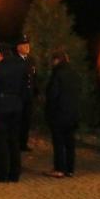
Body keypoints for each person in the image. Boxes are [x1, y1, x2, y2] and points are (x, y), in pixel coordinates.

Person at [0, 44, 27, 182]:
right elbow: (25, 88)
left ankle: (3, 173)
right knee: (14, 140)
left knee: (1, 141)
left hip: (2, 107)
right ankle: (15, 173)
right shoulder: (21, 67)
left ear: (0, 54)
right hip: (17, 105)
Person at [44, 50, 80, 178]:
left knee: (59, 143)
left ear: (56, 60)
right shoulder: (74, 74)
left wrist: (49, 111)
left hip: (59, 113)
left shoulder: (57, 74)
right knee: (70, 143)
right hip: (72, 113)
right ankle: (70, 169)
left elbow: (53, 95)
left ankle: (59, 169)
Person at [16, 35, 38, 151]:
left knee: (26, 121)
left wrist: (35, 92)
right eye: (24, 45)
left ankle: (23, 144)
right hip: (19, 96)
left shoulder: (31, 60)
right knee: (18, 121)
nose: (27, 47)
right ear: (18, 47)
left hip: (29, 96)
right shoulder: (15, 61)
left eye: (28, 45)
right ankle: (17, 143)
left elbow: (34, 77)